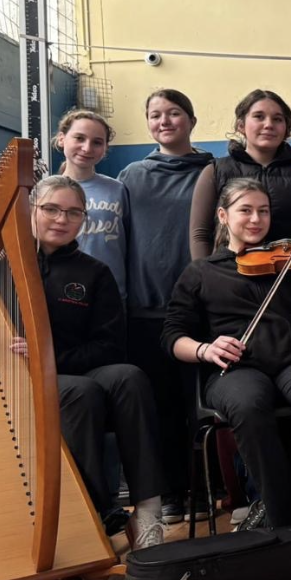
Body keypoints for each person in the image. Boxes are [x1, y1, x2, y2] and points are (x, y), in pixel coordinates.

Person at [0, 176, 168, 550]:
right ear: (30, 210)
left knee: (129, 377)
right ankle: (95, 515)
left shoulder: (95, 273)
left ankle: (148, 512)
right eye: (51, 209)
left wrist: (49, 357)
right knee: (82, 393)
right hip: (12, 383)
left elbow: (109, 348)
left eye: (74, 212)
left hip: (71, 370)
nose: (62, 219)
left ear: (83, 219)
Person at [164, 178, 291, 529]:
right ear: (223, 215)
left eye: (263, 211)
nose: (256, 219)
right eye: (245, 210)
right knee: (248, 405)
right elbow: (172, 336)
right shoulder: (202, 271)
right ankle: (288, 515)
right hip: (236, 370)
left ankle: (282, 503)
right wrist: (205, 349)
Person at [117, 89, 215, 524]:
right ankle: (172, 492)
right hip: (146, 308)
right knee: (161, 408)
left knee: (204, 405)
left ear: (191, 120)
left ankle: (209, 489)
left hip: (201, 306)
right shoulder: (131, 175)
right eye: (155, 115)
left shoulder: (213, 170)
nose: (164, 121)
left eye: (173, 113)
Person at [189, 89, 291, 261]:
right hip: (231, 271)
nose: (268, 124)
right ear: (241, 125)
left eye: (277, 119)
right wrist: (205, 271)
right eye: (259, 117)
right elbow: (200, 234)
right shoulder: (216, 170)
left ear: (286, 128)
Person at [56, 109, 130, 302]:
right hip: (62, 292)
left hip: (111, 292)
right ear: (62, 139)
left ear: (105, 148)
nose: (87, 148)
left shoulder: (117, 189)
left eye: (97, 142)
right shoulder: (45, 191)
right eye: (79, 138)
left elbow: (128, 242)